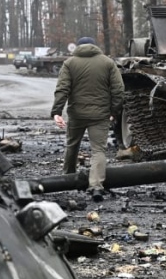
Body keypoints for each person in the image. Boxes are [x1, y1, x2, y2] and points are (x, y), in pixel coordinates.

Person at [51, 36, 124, 201]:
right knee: (98, 150)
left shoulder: (69, 63)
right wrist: (114, 110)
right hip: (100, 115)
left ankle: (68, 177)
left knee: (72, 144)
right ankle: (96, 186)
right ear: (94, 46)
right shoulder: (107, 62)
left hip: (76, 114)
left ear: (77, 47)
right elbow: (118, 89)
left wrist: (57, 112)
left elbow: (62, 88)